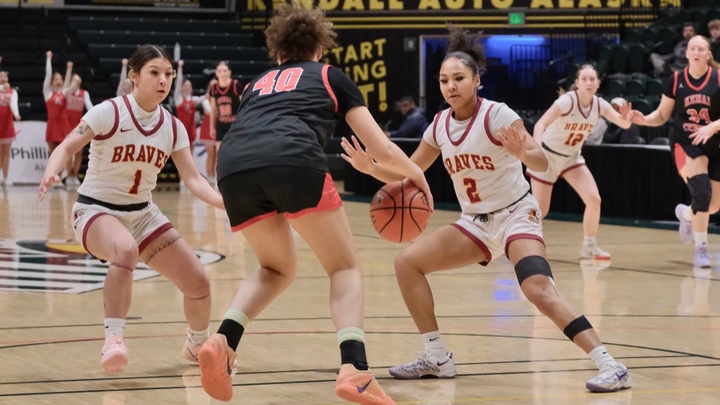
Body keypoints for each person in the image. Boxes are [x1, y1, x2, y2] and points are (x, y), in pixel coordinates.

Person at [342, 26, 631, 393]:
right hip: (475, 223)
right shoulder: (440, 125)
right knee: (406, 263)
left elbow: (542, 162)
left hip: (516, 214)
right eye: (444, 80)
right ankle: (437, 357)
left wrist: (523, 152)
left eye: (459, 78)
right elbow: (411, 172)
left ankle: (611, 365)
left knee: (537, 289)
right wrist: (372, 169)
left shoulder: (498, 115)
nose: (450, 86)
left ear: (476, 80)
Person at [196, 3, 433, 403]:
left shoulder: (255, 85)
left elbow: (254, 133)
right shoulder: (329, 76)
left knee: (275, 268)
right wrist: (417, 176)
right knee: (343, 266)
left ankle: (223, 341)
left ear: (278, 52)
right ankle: (355, 369)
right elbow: (383, 149)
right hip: (292, 160)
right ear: (319, 49)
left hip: (232, 167)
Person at [37, 44, 224, 374]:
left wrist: (223, 201)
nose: (163, 80)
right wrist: (52, 171)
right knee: (125, 250)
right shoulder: (109, 111)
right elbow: (66, 146)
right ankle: (113, 340)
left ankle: (196, 344)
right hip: (95, 210)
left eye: (168, 74)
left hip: (143, 214)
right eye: (155, 72)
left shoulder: (172, 126)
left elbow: (194, 179)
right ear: (134, 76)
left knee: (199, 282)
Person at [525, 65, 633, 260]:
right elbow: (540, 124)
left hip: (571, 157)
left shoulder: (599, 104)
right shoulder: (567, 101)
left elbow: (623, 124)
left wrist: (627, 118)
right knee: (540, 210)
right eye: (584, 79)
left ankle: (589, 246)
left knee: (594, 199)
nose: (589, 83)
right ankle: (520, 242)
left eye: (592, 79)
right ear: (577, 83)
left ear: (598, 83)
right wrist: (537, 150)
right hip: (548, 155)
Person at [631, 35, 720, 268]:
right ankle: (701, 248)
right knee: (702, 192)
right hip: (685, 142)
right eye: (693, 48)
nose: (696, 52)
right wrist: (645, 119)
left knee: (713, 205)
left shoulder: (718, 78)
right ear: (687, 53)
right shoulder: (676, 79)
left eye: (701, 49)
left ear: (709, 54)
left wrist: (713, 126)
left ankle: (686, 214)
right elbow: (662, 115)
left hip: (715, 143)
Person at [207, 61, 241, 185]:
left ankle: (237, 179)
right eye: (220, 71)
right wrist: (211, 126)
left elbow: (243, 105)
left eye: (224, 71)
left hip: (235, 125)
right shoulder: (213, 88)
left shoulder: (236, 85)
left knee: (236, 152)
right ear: (216, 73)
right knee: (220, 154)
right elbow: (213, 109)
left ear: (229, 72)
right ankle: (219, 181)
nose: (222, 73)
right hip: (221, 125)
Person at [43, 52, 78, 158]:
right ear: (52, 82)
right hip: (52, 124)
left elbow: (71, 86)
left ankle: (62, 170)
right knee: (52, 154)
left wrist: (73, 77)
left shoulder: (64, 92)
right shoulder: (47, 93)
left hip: (63, 124)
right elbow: (48, 75)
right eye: (56, 79)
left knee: (63, 154)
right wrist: (48, 58)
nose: (58, 81)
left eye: (60, 79)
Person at [65, 65, 94, 188]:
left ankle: (74, 175)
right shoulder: (66, 92)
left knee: (79, 152)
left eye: (78, 80)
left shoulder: (84, 93)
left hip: (79, 125)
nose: (76, 82)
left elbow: (90, 107)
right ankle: (68, 175)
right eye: (74, 80)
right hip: (67, 125)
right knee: (68, 151)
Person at [174, 59, 205, 158]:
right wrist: (179, 68)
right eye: (185, 85)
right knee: (181, 156)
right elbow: (178, 82)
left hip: (191, 130)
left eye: (189, 85)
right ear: (182, 87)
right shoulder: (178, 99)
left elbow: (205, 97)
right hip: (181, 130)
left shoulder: (194, 100)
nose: (187, 87)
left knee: (190, 156)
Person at [0, 63, 21, 185]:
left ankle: (5, 178)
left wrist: (16, 114)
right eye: (1, 76)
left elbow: (14, 103)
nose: (3, 78)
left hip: (7, 125)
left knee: (6, 153)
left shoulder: (12, 91)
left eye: (5, 76)